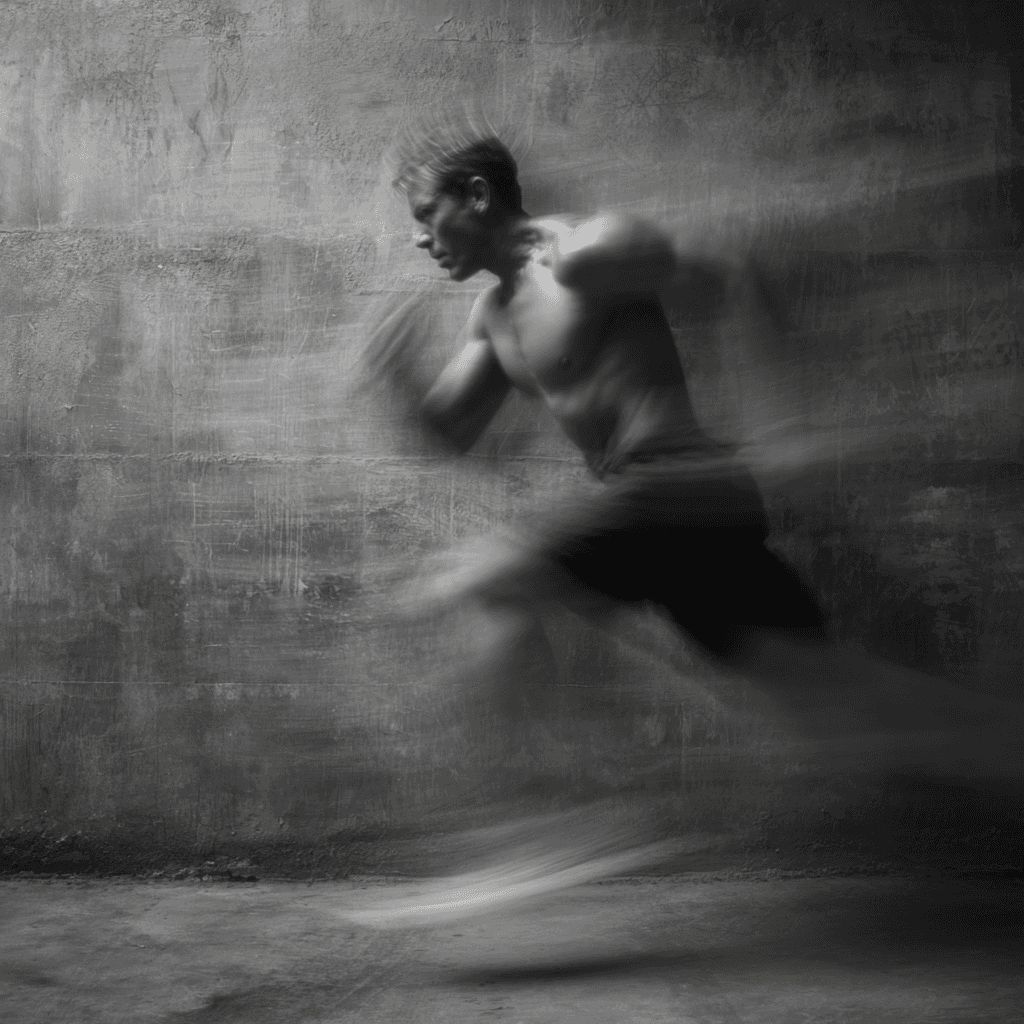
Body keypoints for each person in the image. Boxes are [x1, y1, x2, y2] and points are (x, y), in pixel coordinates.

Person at [361, 126, 1020, 852]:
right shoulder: (491, 318)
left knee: (489, 579)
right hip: (663, 518)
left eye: (426, 214)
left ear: (477, 195)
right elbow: (452, 433)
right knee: (830, 701)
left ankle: (547, 817)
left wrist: (786, 426)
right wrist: (397, 386)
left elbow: (734, 274)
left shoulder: (582, 255)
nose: (421, 238)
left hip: (681, 484)